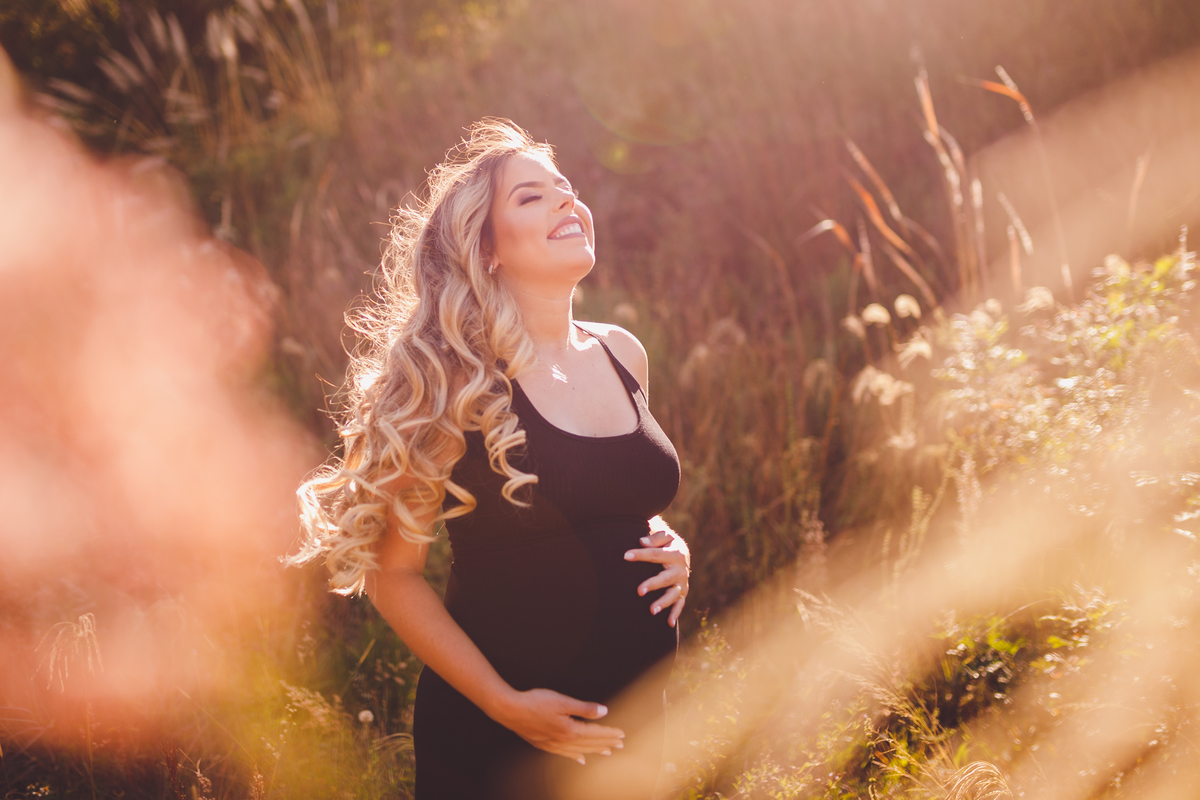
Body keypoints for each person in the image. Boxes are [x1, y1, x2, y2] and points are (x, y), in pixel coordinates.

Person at [290, 118, 690, 799]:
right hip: (496, 746)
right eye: (532, 197)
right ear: (488, 248)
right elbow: (394, 575)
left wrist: (670, 544)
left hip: (635, 732)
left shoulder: (623, 354)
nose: (567, 199)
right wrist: (506, 705)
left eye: (565, 186)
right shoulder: (451, 381)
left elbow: (614, 503)